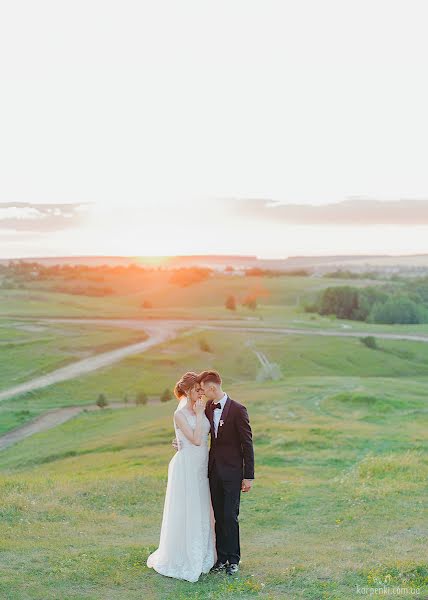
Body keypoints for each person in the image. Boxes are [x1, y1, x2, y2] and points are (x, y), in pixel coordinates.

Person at [173, 369, 255, 576]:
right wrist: (178, 441)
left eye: (202, 389)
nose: (201, 393)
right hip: (212, 471)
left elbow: (247, 444)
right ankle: (221, 558)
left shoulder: (238, 409)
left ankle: (234, 559)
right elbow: (194, 428)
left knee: (230, 516)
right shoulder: (207, 408)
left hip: (233, 472)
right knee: (217, 516)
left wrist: (248, 475)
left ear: (212, 387)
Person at [147, 372, 216, 583]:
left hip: (202, 464)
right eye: (197, 389)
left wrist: (199, 413)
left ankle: (207, 554)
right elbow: (196, 440)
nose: (201, 392)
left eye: (201, 389)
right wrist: (197, 414)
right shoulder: (181, 414)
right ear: (188, 391)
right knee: (188, 508)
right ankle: (184, 556)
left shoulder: (201, 407)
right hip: (187, 466)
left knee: (204, 506)